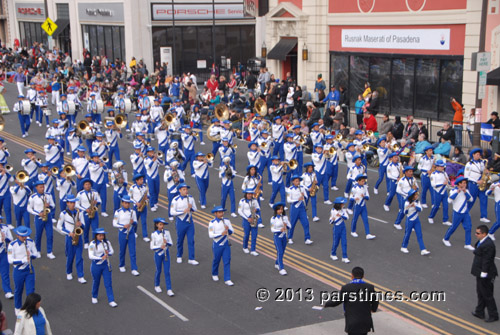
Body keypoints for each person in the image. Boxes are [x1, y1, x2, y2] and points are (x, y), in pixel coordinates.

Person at [323, 266, 378, 335]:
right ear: (363, 276)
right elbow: (375, 300)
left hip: (352, 322)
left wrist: (326, 304)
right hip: (365, 322)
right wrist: (373, 309)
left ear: (352, 276)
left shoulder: (346, 288)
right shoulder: (370, 287)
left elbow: (336, 301)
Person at [7, 226, 38, 314]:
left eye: (26, 236)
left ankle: (30, 309)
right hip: (18, 271)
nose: (25, 238)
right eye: (22, 236)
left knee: (31, 291)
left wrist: (31, 254)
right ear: (17, 235)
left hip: (29, 270)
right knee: (18, 290)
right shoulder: (12, 245)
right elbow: (10, 260)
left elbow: (36, 254)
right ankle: (17, 308)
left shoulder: (30, 242)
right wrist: (22, 260)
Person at [471, 225, 498, 322]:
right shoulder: (483, 241)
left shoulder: (488, 245)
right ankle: (479, 311)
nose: (476, 234)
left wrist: (484, 272)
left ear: (484, 234)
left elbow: (487, 260)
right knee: (480, 292)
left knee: (487, 294)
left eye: (478, 233)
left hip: (486, 274)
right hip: (480, 271)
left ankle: (493, 314)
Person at [56, 195, 86, 283]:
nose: (73, 204)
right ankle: (69, 272)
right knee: (70, 256)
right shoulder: (63, 214)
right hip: (69, 237)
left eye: (74, 202)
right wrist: (69, 233)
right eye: (71, 203)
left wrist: (81, 224)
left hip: (78, 237)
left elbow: (84, 225)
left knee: (79, 257)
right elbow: (59, 226)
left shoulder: (79, 212)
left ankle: (81, 276)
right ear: (67, 203)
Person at [170, 183, 198, 265]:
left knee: (191, 240)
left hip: (189, 222)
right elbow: (172, 212)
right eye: (184, 189)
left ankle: (191, 258)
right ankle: (179, 255)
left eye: (186, 189)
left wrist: (191, 208)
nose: (186, 191)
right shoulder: (175, 200)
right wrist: (183, 211)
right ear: (179, 190)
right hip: (180, 222)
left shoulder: (191, 198)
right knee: (180, 240)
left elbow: (195, 209)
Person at [88, 228, 117, 307]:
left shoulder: (107, 242)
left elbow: (112, 251)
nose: (102, 237)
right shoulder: (92, 244)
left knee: (108, 283)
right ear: (96, 236)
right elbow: (90, 255)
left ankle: (111, 300)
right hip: (96, 266)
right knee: (96, 281)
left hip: (106, 265)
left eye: (102, 235)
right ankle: (94, 296)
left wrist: (108, 253)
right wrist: (101, 258)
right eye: (100, 235)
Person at [443, 177, 474, 250]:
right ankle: (445, 239)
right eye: (463, 183)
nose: (465, 184)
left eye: (465, 183)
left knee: (468, 227)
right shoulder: (453, 191)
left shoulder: (467, 191)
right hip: (457, 212)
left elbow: (471, 199)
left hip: (465, 212)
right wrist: (458, 192)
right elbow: (449, 200)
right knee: (453, 227)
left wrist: (465, 192)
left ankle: (467, 244)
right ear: (459, 184)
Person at [27, 180, 55, 259]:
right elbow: (29, 208)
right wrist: (38, 213)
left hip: (48, 217)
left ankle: (49, 252)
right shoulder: (33, 197)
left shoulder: (48, 195)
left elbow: (53, 205)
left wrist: (49, 205)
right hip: (39, 217)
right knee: (38, 235)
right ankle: (38, 251)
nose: (42, 189)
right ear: (36, 188)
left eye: (43, 187)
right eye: (40, 187)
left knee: (50, 235)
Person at [112, 195, 139, 276]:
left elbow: (136, 222)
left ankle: (134, 268)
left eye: (128, 203)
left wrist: (132, 222)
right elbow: (114, 223)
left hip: (130, 232)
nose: (127, 205)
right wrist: (122, 226)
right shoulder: (118, 212)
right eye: (126, 203)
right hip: (122, 232)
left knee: (132, 251)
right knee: (122, 250)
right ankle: (122, 265)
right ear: (122, 203)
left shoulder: (132, 212)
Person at [208, 206, 234, 286]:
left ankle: (227, 278)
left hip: (226, 244)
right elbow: (211, 235)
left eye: (222, 212)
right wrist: (221, 234)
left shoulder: (227, 221)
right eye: (219, 212)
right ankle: (214, 273)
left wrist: (228, 229)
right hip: (217, 244)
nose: (221, 213)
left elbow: (232, 231)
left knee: (227, 260)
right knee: (216, 259)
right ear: (215, 213)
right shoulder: (212, 223)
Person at [401, 189, 430, 255]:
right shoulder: (406, 203)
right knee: (407, 234)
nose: (417, 196)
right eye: (416, 195)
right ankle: (403, 246)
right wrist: (408, 207)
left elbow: (420, 209)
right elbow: (405, 212)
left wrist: (415, 206)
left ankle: (423, 249)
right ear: (412, 196)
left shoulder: (417, 202)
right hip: (410, 220)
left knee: (419, 234)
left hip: (416, 220)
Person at [150, 217, 174, 296]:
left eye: (163, 224)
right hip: (158, 254)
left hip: (166, 253)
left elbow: (171, 243)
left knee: (167, 271)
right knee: (159, 270)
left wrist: (166, 242)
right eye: (160, 224)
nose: (162, 226)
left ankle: (169, 289)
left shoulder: (167, 232)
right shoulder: (154, 234)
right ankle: (157, 285)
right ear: (157, 225)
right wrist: (160, 247)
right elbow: (152, 247)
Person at [286, 175, 313, 245]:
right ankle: (289, 238)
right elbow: (289, 200)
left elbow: (306, 197)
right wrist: (297, 200)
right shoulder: (290, 189)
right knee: (292, 223)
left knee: (306, 223)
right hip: (294, 208)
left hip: (302, 208)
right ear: (293, 182)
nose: (298, 182)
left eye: (298, 181)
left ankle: (307, 238)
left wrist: (304, 195)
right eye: (296, 181)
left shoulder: (302, 188)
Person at [238, 189, 261, 256]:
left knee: (254, 235)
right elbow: (240, 211)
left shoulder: (254, 200)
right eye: (248, 194)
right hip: (246, 220)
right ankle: (245, 247)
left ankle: (253, 250)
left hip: (254, 218)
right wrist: (247, 218)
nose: (250, 195)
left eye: (251, 194)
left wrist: (256, 209)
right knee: (247, 234)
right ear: (246, 194)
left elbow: (258, 208)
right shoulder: (242, 201)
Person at [270, 202, 290, 275]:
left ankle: (277, 263)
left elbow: (289, 226)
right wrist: (279, 230)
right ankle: (281, 268)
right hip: (277, 236)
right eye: (279, 209)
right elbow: (272, 229)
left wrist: (286, 225)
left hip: (284, 236)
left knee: (282, 251)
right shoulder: (273, 219)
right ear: (276, 210)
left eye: (281, 209)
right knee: (280, 251)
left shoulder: (285, 217)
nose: (280, 211)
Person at [329, 197, 350, 263]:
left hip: (343, 227)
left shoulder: (343, 210)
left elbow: (347, 217)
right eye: (342, 203)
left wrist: (340, 215)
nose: (343, 204)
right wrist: (333, 219)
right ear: (339, 204)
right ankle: (333, 254)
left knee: (344, 242)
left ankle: (345, 256)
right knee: (336, 242)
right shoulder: (333, 211)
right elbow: (331, 221)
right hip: (336, 228)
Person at [0, 216, 13, 299]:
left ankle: (7, 291)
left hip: (3, 253)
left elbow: (11, 239)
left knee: (5, 272)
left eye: (0, 219)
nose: (0, 221)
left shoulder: (5, 227)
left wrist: (6, 238)